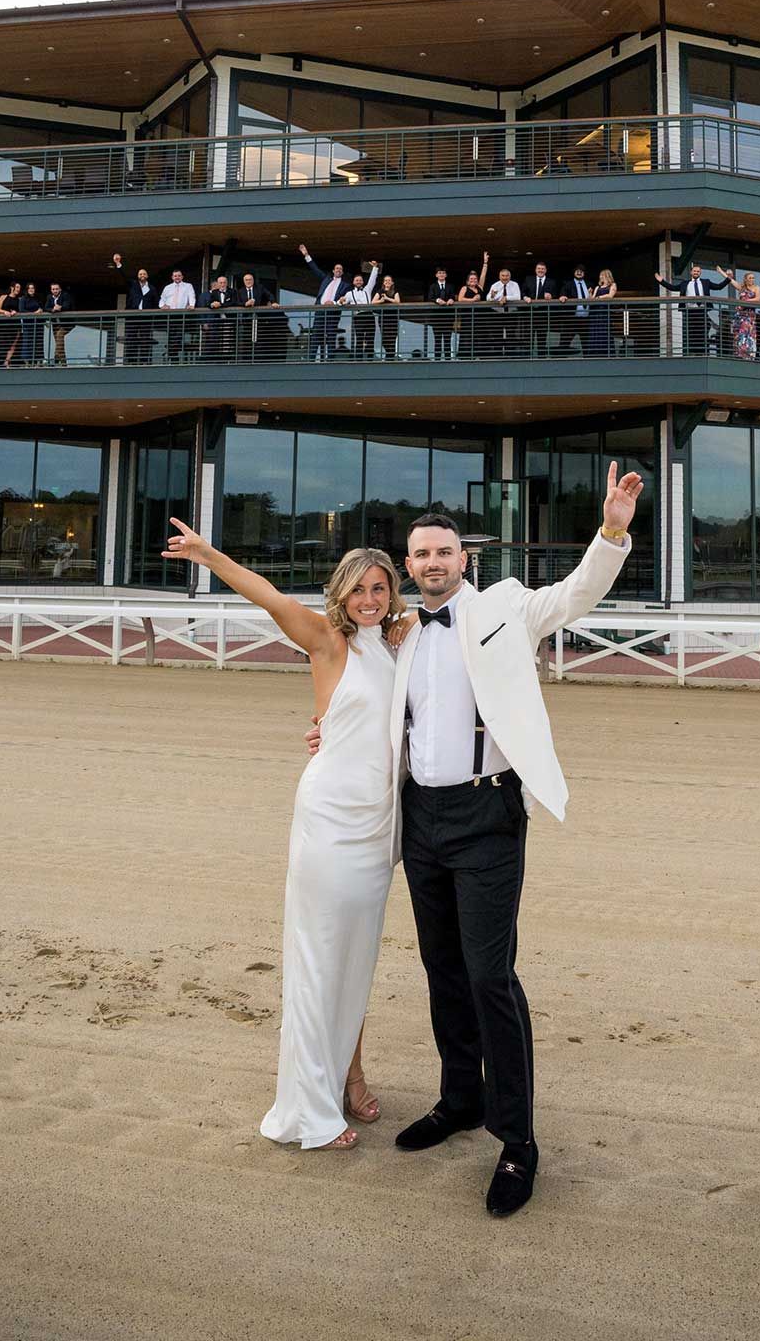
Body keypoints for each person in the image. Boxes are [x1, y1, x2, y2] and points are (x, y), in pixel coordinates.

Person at [308, 468, 644, 1216]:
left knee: (492, 976)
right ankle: (460, 1098)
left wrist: (612, 528)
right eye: (421, 554)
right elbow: (365, 702)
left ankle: (518, 1140)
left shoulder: (505, 607)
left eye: (444, 552)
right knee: (443, 971)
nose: (432, 563)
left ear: (464, 559)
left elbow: (577, 594)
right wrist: (327, 733)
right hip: (420, 817)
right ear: (409, 564)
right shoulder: (397, 633)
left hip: (488, 814)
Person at [162, 519, 407, 1153]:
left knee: (357, 957)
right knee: (319, 958)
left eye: (379, 588)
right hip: (330, 820)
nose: (369, 599)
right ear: (341, 593)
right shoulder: (326, 639)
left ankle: (351, 1074)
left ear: (391, 592)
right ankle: (308, 1106)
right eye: (359, 589)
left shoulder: (400, 644)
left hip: (381, 827)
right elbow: (265, 594)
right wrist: (206, 554)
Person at [654, 263, 734, 358]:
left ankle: (703, 353)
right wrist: (661, 281)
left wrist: (728, 279)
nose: (696, 272)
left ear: (700, 273)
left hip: (702, 310)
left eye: (698, 271)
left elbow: (719, 287)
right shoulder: (685, 283)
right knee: (692, 332)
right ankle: (693, 353)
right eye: (694, 271)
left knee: (702, 332)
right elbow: (673, 287)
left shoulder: (706, 282)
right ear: (691, 272)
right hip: (690, 311)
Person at [299, 243, 356, 361]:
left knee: (331, 337)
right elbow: (315, 269)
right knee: (316, 336)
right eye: (337, 268)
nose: (338, 270)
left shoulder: (346, 285)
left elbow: (346, 298)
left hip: (332, 312)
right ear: (333, 271)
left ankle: (330, 360)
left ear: (342, 272)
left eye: (340, 269)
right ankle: (311, 359)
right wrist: (306, 255)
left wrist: (334, 303)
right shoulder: (326, 279)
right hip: (320, 311)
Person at [341, 264, 380, 360]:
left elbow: (372, 280)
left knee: (370, 338)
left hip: (369, 315)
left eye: (360, 280)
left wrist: (375, 268)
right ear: (353, 282)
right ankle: (359, 359)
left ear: (362, 282)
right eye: (357, 280)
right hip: (358, 317)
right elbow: (343, 301)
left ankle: (370, 359)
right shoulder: (350, 293)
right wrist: (340, 301)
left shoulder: (367, 290)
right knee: (359, 338)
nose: (358, 281)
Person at [158, 269, 196, 362]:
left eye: (179, 275)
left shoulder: (188, 286)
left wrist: (191, 305)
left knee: (178, 336)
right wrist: (162, 306)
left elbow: (192, 296)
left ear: (182, 277)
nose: (177, 277)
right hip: (170, 315)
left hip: (181, 314)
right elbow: (162, 299)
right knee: (171, 336)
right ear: (172, 277)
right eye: (175, 276)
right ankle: (173, 357)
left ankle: (175, 358)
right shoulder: (167, 287)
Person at [457, 254, 488, 359]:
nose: (473, 280)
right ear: (467, 280)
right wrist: (473, 300)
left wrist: (485, 263)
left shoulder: (479, 287)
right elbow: (460, 299)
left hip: (479, 317)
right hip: (468, 316)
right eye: (471, 279)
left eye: (475, 279)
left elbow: (483, 275)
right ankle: (465, 356)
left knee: (479, 336)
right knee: (467, 336)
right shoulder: (464, 288)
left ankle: (478, 355)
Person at [486, 266, 522, 355]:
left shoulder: (515, 284)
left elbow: (518, 297)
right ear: (499, 276)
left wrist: (506, 298)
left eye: (507, 276)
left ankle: (510, 355)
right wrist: (494, 296)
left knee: (511, 335)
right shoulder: (495, 285)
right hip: (497, 314)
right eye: (503, 276)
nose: (505, 278)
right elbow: (488, 298)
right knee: (497, 335)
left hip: (511, 314)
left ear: (510, 276)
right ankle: (498, 355)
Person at [522, 262, 555, 356]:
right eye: (539, 268)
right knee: (528, 338)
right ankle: (528, 358)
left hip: (543, 314)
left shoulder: (551, 282)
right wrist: (525, 297)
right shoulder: (528, 279)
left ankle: (541, 358)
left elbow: (556, 294)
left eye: (542, 269)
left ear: (546, 270)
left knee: (542, 339)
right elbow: (523, 292)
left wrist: (551, 296)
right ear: (535, 270)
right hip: (530, 313)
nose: (540, 270)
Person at [126, 268, 159, 364]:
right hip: (133, 316)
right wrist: (119, 265)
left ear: (147, 276)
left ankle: (144, 360)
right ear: (138, 276)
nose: (142, 275)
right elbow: (124, 277)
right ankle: (132, 361)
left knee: (145, 339)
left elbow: (156, 302)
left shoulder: (152, 288)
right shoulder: (134, 285)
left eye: (144, 274)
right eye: (140, 274)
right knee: (132, 338)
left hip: (146, 317)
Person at [559, 264, 593, 356]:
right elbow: (563, 293)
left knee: (587, 345)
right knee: (564, 343)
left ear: (584, 273)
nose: (579, 272)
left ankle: (587, 361)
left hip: (586, 320)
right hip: (572, 319)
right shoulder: (568, 284)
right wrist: (562, 296)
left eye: (581, 271)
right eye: (577, 271)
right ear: (574, 273)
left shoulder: (589, 284)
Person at [44, 282, 76, 367]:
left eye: (56, 289)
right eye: (53, 289)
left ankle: (63, 363)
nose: (55, 291)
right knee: (58, 342)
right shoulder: (49, 297)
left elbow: (67, 306)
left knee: (59, 336)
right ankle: (56, 360)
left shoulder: (65, 295)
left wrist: (60, 307)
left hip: (67, 323)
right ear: (51, 290)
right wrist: (52, 309)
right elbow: (46, 308)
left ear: (60, 289)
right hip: (56, 324)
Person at [427, 267, 456, 361]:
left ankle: (448, 360)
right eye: (439, 273)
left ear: (446, 275)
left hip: (448, 318)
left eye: (443, 273)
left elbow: (453, 296)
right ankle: (437, 361)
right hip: (436, 318)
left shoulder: (450, 286)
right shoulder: (433, 286)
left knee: (447, 340)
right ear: (436, 275)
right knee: (437, 340)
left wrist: (452, 299)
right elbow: (430, 297)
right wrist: (437, 300)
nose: (441, 274)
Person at [587, 268, 617, 356]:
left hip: (604, 311)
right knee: (595, 331)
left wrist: (599, 298)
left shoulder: (612, 285)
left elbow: (610, 296)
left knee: (604, 330)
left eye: (602, 275)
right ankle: (594, 353)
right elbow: (592, 299)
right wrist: (590, 293)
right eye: (600, 275)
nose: (600, 277)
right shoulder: (597, 287)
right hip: (595, 312)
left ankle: (606, 352)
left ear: (607, 276)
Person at [732, 272, 760, 361]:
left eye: (753, 278)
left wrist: (746, 301)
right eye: (750, 278)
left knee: (749, 334)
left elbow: (758, 298)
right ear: (745, 279)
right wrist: (722, 273)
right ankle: (739, 354)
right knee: (739, 334)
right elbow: (731, 281)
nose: (752, 279)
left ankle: (749, 355)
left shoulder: (756, 288)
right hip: (740, 315)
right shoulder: (742, 288)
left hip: (749, 315)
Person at [374, 274, 402, 360]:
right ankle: (388, 355)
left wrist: (387, 298)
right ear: (383, 283)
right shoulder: (380, 291)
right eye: (385, 280)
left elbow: (398, 302)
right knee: (385, 338)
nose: (387, 282)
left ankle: (391, 356)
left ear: (392, 282)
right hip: (383, 318)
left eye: (389, 280)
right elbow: (373, 302)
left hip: (393, 318)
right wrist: (381, 300)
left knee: (392, 338)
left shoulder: (395, 292)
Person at [0, 281, 23, 369]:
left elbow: (21, 310)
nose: (18, 289)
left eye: (19, 288)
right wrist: (5, 312)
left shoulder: (19, 300)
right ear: (12, 288)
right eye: (17, 287)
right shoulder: (3, 297)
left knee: (13, 344)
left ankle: (6, 362)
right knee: (2, 342)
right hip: (4, 324)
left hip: (15, 324)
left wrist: (16, 312)